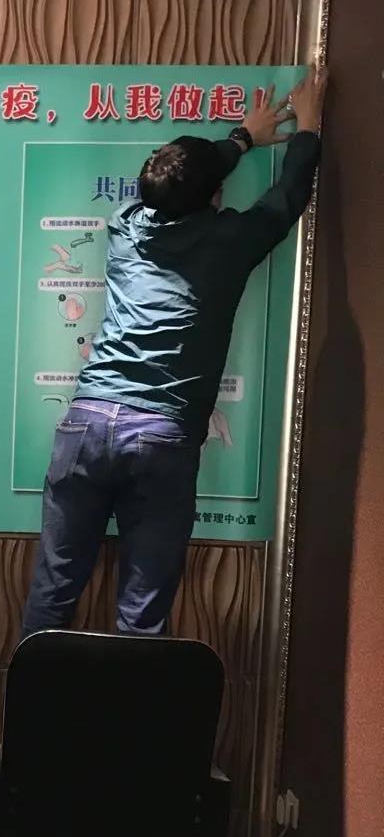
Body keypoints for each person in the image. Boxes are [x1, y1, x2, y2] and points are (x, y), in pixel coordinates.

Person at [22, 68, 327, 637]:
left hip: (86, 423)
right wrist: (306, 128)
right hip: (160, 436)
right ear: (215, 196)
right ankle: (134, 703)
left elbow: (182, 181)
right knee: (141, 613)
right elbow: (286, 199)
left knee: (54, 591)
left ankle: (26, 700)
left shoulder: (125, 226)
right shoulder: (231, 241)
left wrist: (239, 139)